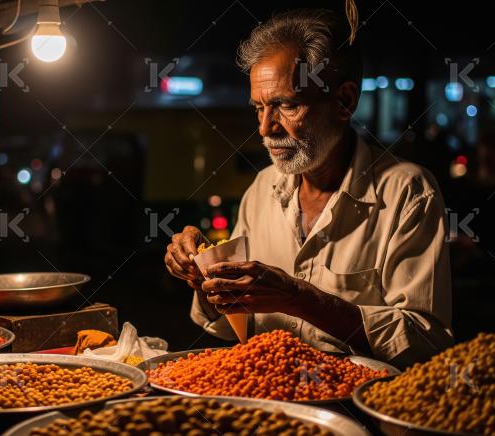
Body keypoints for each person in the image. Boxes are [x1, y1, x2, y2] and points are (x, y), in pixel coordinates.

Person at [164, 9, 453, 367]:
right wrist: (204, 275)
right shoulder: (262, 189)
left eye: (287, 105)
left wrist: (299, 298)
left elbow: (425, 341)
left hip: (357, 412)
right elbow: (231, 326)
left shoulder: (407, 192)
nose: (266, 128)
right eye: (259, 109)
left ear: (344, 102)